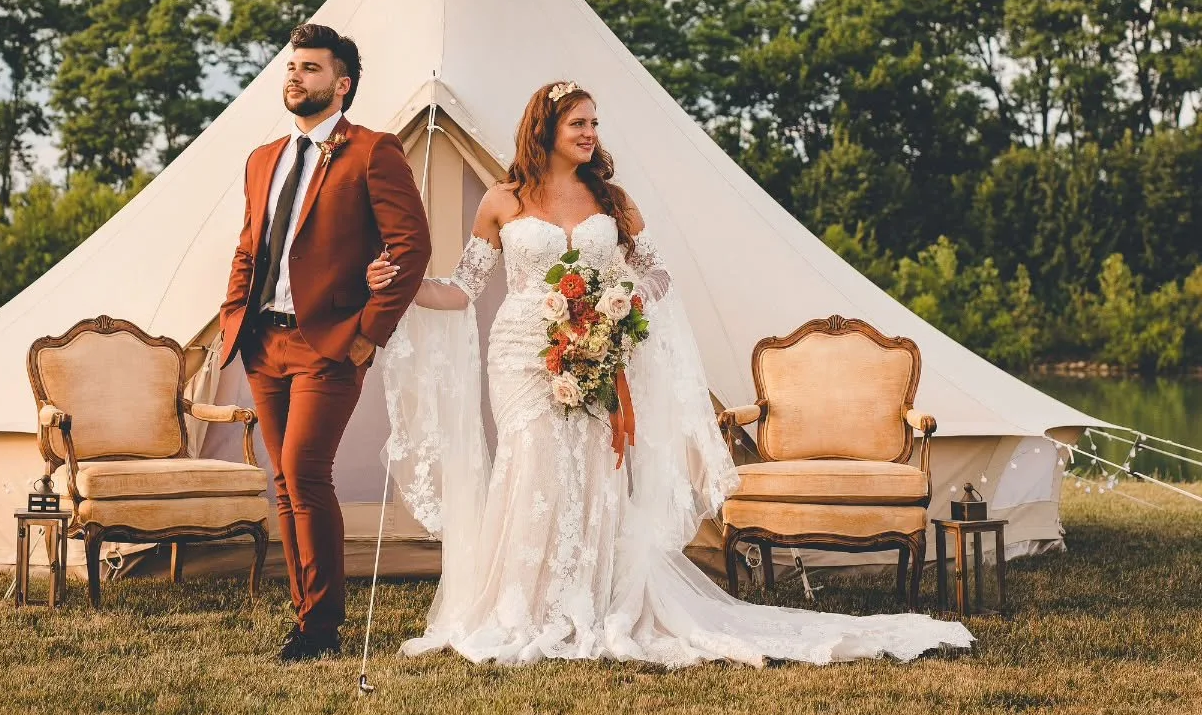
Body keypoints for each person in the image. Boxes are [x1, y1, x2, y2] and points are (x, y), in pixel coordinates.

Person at [365, 80, 973, 667]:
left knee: (595, 470)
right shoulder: (503, 200)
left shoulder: (612, 200)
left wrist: (616, 301)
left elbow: (657, 274)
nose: (590, 133)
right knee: (533, 465)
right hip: (521, 354)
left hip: (600, 350)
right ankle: (523, 604)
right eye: (579, 123)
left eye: (594, 123)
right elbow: (465, 287)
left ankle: (592, 599)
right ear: (545, 129)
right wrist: (407, 285)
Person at [218, 23, 430, 661]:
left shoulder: (372, 151)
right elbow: (250, 246)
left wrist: (367, 336)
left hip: (329, 344)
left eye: (309, 69)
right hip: (264, 342)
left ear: (340, 86)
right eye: (291, 66)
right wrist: (235, 315)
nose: (294, 76)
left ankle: (319, 627)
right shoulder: (262, 159)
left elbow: (412, 247)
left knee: (306, 473)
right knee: (283, 481)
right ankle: (307, 609)